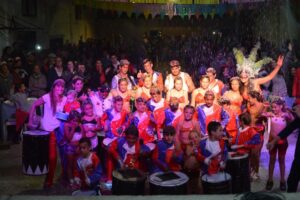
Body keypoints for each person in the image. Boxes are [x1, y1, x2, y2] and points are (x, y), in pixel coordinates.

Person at [28, 79, 67, 188]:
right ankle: (49, 180)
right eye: (58, 86)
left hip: (59, 130)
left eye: (62, 87)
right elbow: (34, 105)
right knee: (52, 157)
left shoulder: (64, 99)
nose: (60, 89)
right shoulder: (47, 97)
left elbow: (67, 112)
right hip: (49, 131)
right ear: (53, 87)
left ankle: (65, 177)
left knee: (65, 156)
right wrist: (30, 120)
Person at [262, 98, 294, 191]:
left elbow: (292, 119)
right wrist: (265, 108)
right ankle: (270, 180)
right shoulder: (271, 115)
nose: (273, 109)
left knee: (281, 160)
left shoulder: (285, 115)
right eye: (272, 107)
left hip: (282, 141)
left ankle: (282, 180)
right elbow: (262, 114)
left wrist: (288, 109)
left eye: (275, 107)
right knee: (271, 160)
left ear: (281, 106)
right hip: (272, 142)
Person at [267, 104, 300, 192]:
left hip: (287, 147)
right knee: (292, 181)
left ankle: (283, 181)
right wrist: (273, 142)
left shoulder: (286, 115)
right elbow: (289, 129)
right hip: (298, 158)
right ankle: (272, 181)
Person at [61, 110, 82, 186]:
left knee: (76, 163)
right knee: (70, 164)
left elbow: (83, 137)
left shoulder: (80, 125)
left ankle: (76, 177)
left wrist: (79, 146)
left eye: (77, 121)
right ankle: (70, 178)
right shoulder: (66, 125)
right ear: (70, 119)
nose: (75, 122)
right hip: (69, 147)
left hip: (78, 147)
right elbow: (69, 138)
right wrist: (73, 128)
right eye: (73, 120)